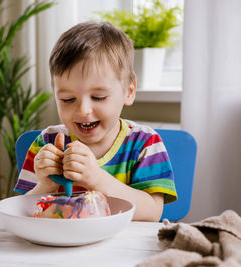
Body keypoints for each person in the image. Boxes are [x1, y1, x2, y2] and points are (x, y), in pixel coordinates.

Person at [13, 22, 177, 222]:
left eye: (99, 97)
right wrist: (45, 185)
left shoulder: (145, 143)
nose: (83, 110)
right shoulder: (46, 143)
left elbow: (152, 213)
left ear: (129, 91)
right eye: (68, 99)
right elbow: (22, 213)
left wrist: (96, 178)